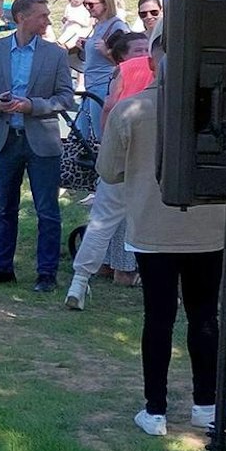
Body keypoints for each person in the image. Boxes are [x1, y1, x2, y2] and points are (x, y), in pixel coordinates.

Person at [99, 30, 226, 436]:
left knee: (158, 319)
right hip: (207, 228)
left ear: (152, 63)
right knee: (204, 316)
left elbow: (109, 170)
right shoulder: (218, 112)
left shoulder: (131, 109)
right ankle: (205, 403)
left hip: (153, 228)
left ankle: (156, 409)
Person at [0, 0, 73, 292]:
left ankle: (46, 274)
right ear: (21, 17)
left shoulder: (55, 54)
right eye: (42, 15)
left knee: (47, 209)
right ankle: (3, 267)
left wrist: (33, 106)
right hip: (6, 140)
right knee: (4, 207)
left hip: (41, 141)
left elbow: (66, 98)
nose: (48, 20)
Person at [66, 29, 153, 309]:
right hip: (153, 153)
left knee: (102, 220)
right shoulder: (163, 67)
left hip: (123, 149)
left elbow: (111, 107)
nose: (143, 53)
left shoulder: (123, 71)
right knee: (153, 221)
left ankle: (79, 282)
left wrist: (108, 144)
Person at [76, 0, 123, 143]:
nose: (87, 8)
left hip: (105, 85)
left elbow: (127, 62)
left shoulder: (117, 26)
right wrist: (85, 45)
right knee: (82, 135)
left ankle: (102, 167)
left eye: (91, 4)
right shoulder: (97, 26)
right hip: (91, 86)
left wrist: (106, 53)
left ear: (105, 3)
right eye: (85, 4)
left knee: (100, 136)